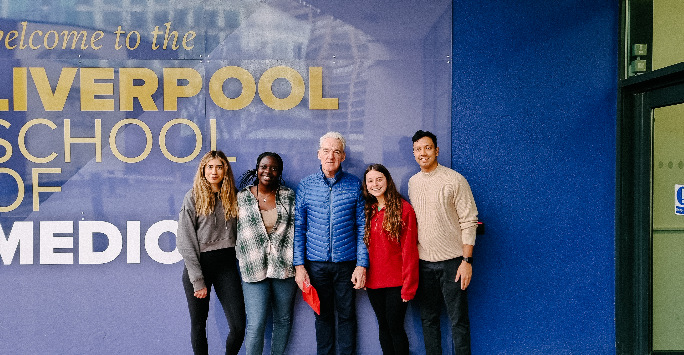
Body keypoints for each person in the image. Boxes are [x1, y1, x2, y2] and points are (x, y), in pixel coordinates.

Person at [293, 131, 369, 355]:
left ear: (343, 156)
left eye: (336, 151)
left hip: (347, 264)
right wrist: (299, 266)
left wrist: (361, 264)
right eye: (326, 151)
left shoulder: (355, 185)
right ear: (318, 154)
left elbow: (362, 227)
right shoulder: (306, 186)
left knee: (347, 316)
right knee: (322, 316)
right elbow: (299, 228)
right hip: (316, 265)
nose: (330, 156)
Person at [408, 130, 479, 355]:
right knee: (428, 320)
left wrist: (466, 260)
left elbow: (469, 221)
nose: (423, 153)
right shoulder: (412, 182)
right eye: (418, 149)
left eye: (427, 148)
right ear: (414, 154)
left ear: (436, 150)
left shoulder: (455, 180)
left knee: (458, 320)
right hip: (423, 264)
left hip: (453, 263)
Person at [177, 150, 246, 355]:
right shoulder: (192, 197)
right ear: (203, 170)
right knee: (199, 325)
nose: (214, 171)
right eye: (210, 167)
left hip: (226, 266)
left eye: (219, 167)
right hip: (200, 268)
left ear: (225, 170)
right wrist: (198, 280)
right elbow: (185, 241)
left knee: (238, 326)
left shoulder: (233, 195)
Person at [235, 152, 297, 355]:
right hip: (253, 267)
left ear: (279, 172)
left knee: (283, 320)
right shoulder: (242, 197)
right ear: (257, 168)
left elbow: (299, 228)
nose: (268, 171)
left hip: (284, 266)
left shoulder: (288, 196)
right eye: (264, 166)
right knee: (256, 324)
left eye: (273, 168)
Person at [362, 164, 419, 355]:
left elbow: (410, 251)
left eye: (379, 179)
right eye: (370, 181)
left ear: (388, 180)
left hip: (397, 283)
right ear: (366, 185)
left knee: (395, 327)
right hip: (373, 282)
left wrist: (409, 286)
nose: (375, 184)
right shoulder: (367, 211)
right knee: (383, 327)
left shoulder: (404, 209)